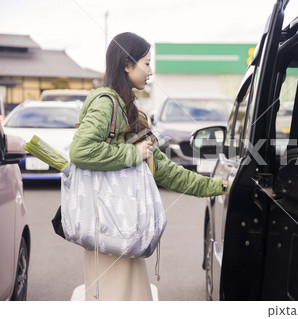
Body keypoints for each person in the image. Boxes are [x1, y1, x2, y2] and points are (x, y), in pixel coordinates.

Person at [69, 32, 227, 301]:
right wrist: (132, 154)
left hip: (123, 228)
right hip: (110, 226)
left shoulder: (129, 109)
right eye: (146, 62)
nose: (151, 71)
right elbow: (81, 151)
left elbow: (162, 167)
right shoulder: (106, 103)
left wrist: (216, 185)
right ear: (127, 64)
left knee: (128, 295)